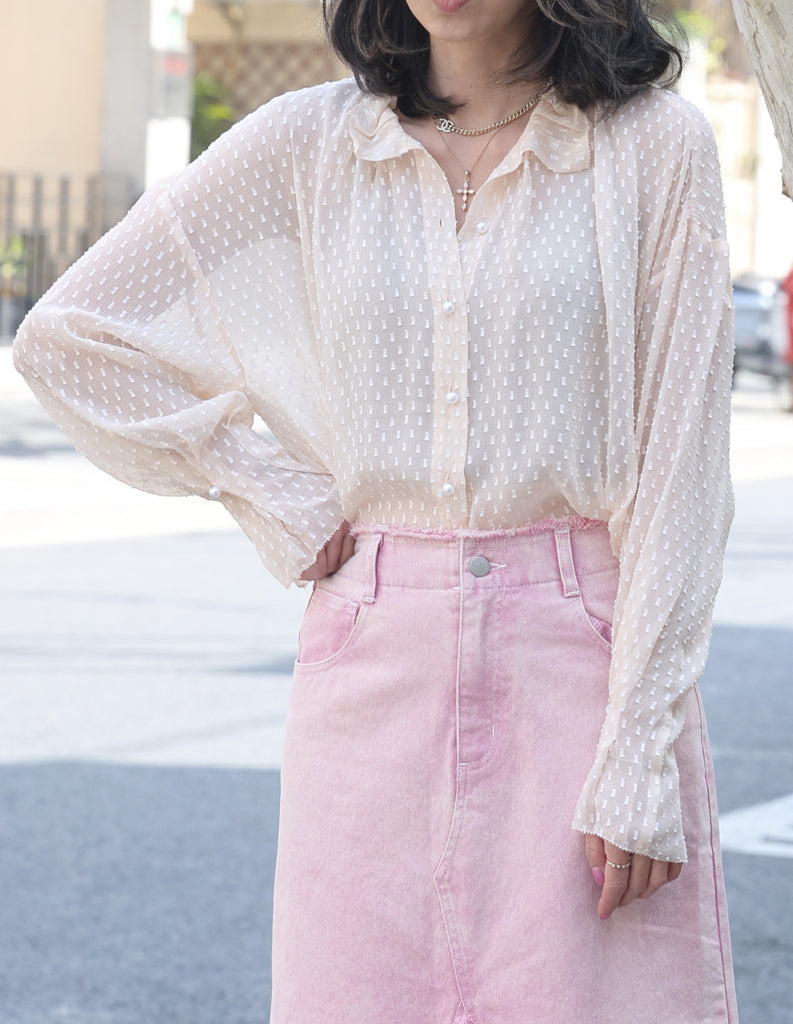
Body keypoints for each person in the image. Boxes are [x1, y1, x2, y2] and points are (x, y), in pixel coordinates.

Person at [13, 0, 739, 1020]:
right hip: (368, 660)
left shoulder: (652, 149)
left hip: (579, 659)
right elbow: (72, 335)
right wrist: (266, 488)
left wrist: (637, 749)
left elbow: (681, 472)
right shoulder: (309, 143)